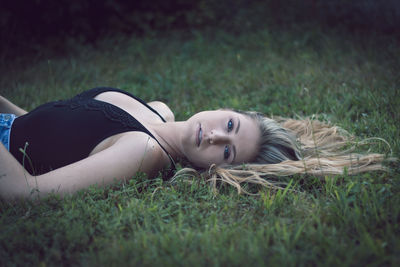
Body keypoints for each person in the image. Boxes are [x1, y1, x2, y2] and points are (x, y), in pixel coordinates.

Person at [0, 87, 393, 199]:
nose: (217, 135)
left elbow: (23, 191)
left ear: (218, 168)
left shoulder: (144, 153)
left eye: (227, 150)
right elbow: (32, 127)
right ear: (227, 108)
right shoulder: (158, 111)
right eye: (230, 124)